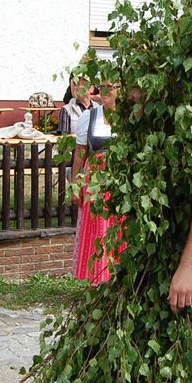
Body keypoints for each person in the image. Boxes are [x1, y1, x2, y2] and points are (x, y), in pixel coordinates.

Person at [73, 80, 121, 284]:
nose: (105, 91)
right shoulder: (90, 116)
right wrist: (75, 185)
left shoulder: (129, 117)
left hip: (121, 181)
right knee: (97, 230)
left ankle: (118, 280)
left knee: (120, 228)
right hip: (95, 182)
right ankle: (97, 281)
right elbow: (80, 153)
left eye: (111, 86)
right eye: (102, 87)